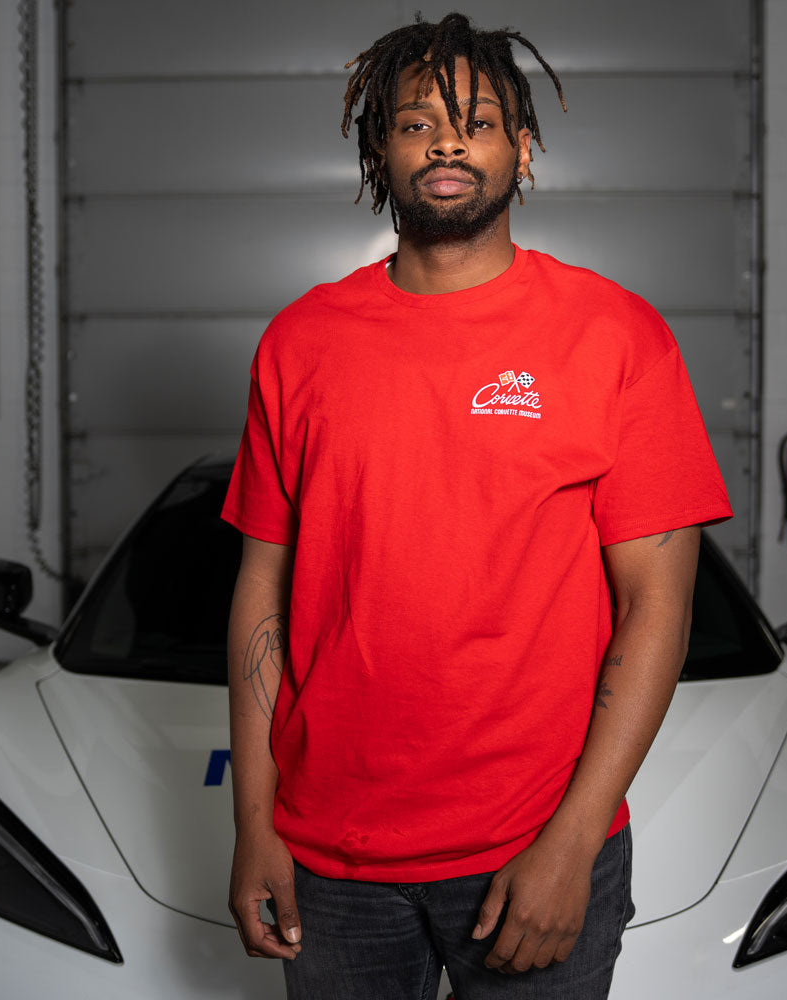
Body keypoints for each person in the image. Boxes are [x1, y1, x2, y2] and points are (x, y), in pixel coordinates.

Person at [222, 12, 731, 1000]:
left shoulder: (616, 336)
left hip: (530, 847)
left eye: (478, 120)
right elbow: (260, 593)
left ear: (521, 150)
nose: (446, 141)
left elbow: (658, 605)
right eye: (414, 123)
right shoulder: (300, 341)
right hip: (331, 861)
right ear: (379, 151)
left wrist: (572, 845)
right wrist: (254, 826)